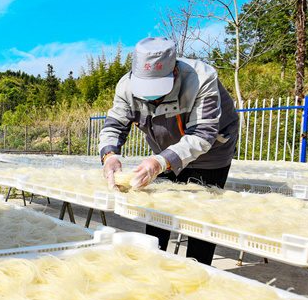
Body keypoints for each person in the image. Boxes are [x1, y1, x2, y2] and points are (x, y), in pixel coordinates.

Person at [98, 37, 239, 266]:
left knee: (200, 212)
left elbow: (203, 135)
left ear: (175, 70)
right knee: (156, 207)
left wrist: (162, 162)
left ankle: (197, 271)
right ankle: (153, 265)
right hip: (162, 149)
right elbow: (114, 126)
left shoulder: (201, 79)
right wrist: (110, 155)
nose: (151, 97)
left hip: (211, 151)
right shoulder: (126, 87)